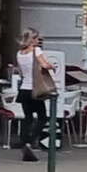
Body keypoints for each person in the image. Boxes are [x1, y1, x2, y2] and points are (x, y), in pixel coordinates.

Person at [14, 29, 62, 161]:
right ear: (31, 40)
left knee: (27, 118)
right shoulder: (36, 51)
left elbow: (20, 72)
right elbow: (44, 65)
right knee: (42, 117)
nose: (38, 41)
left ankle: (24, 143)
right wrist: (52, 66)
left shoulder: (19, 53)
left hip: (24, 89)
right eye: (36, 38)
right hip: (34, 89)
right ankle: (30, 142)